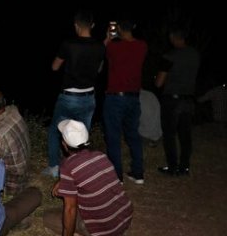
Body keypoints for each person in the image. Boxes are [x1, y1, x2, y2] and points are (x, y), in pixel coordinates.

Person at [42, 9, 105, 178]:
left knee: (55, 131)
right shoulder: (100, 46)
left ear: (76, 25)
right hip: (89, 96)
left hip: (69, 96)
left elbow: (54, 67)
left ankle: (55, 168)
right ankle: (81, 169)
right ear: (92, 25)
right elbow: (99, 69)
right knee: (82, 135)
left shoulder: (69, 44)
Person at [43, 119, 133, 236]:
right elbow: (89, 175)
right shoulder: (100, 155)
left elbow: (70, 209)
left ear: (64, 144)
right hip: (124, 217)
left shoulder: (68, 166)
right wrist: (62, 182)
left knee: (48, 217)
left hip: (106, 229)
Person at [102, 17, 147, 184]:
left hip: (115, 97)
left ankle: (117, 176)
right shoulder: (142, 46)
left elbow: (103, 53)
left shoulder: (113, 46)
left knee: (113, 136)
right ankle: (138, 173)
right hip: (133, 98)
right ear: (133, 26)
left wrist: (108, 38)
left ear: (118, 28)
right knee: (133, 135)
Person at [155, 27, 200, 176]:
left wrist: (156, 78)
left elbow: (159, 83)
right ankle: (185, 166)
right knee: (185, 135)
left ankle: (172, 167)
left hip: (172, 99)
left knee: (169, 134)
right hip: (188, 98)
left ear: (174, 37)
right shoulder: (195, 54)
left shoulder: (170, 56)